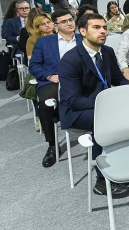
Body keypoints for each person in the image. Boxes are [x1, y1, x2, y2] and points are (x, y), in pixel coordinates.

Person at [58, 13, 129, 198]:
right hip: (76, 110)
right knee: (106, 121)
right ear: (82, 31)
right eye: (96, 27)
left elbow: (117, 79)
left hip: (102, 104)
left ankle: (120, 169)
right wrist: (107, 104)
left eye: (104, 28)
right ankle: (102, 179)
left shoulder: (107, 52)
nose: (103, 31)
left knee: (128, 117)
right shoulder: (71, 59)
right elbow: (73, 100)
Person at [29, 9, 80, 167]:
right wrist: (50, 76)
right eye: (64, 21)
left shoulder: (83, 38)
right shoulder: (44, 42)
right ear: (56, 25)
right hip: (53, 81)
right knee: (45, 103)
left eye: (71, 19)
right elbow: (34, 66)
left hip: (80, 80)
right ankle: (52, 145)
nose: (69, 23)